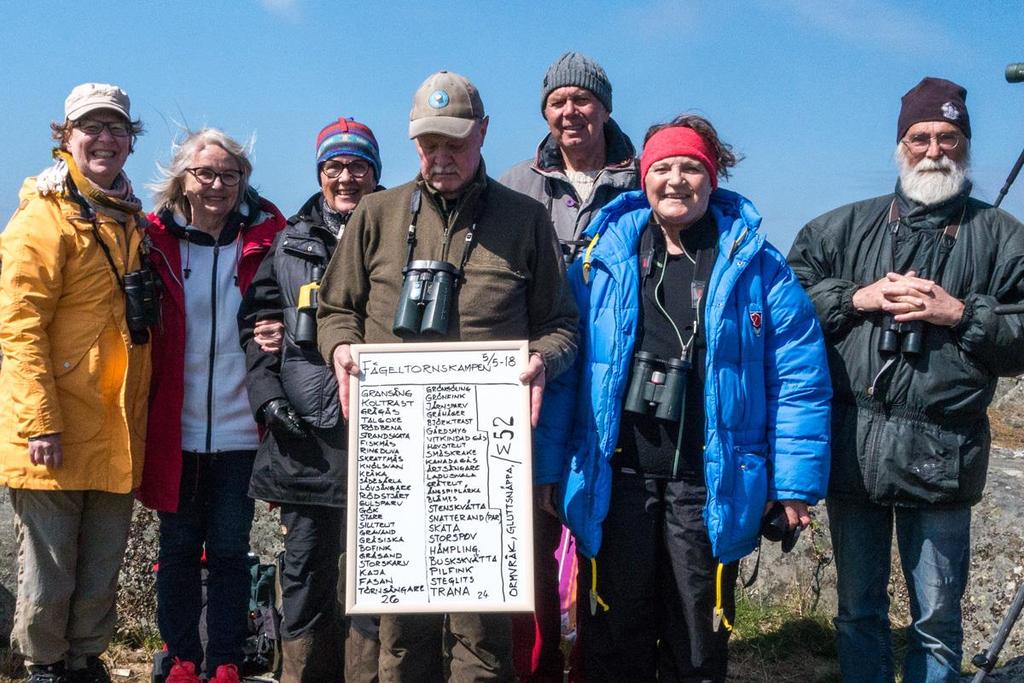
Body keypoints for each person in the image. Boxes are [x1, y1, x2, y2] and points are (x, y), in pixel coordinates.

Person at [536, 115, 832, 683]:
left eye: (691, 167)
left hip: (708, 484)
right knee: (611, 637)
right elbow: (567, 374)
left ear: (712, 178)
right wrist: (550, 466)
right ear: (644, 177)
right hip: (614, 480)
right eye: (663, 167)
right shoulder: (599, 261)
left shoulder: (759, 268)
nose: (676, 180)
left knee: (696, 639)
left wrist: (793, 484)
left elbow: (798, 378)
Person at [316, 70, 578, 682]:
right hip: (393, 444)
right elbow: (335, 310)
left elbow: (562, 324)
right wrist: (342, 352)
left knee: (483, 630)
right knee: (400, 627)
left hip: (486, 453)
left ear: (483, 132)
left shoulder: (525, 219)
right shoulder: (376, 213)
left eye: (456, 142)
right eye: (429, 143)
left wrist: (543, 361)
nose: (442, 156)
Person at [788, 77, 1024, 683]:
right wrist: (856, 297)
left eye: (948, 137)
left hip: (943, 456)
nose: (933, 149)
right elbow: (780, 308)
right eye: (920, 137)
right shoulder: (839, 228)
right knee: (857, 611)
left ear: (965, 144)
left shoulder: (1003, 236)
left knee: (937, 623)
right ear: (901, 145)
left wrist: (961, 313)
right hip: (855, 453)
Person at [0, 82, 152, 683]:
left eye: (116, 127)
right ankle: (43, 667)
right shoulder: (42, 215)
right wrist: (40, 423)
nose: (105, 138)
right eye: (91, 127)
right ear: (66, 137)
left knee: (99, 568)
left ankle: (87, 662)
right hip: (54, 431)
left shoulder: (125, 215)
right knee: (49, 568)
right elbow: (17, 328)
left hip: (112, 426)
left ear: (129, 141)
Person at [499, 53, 637, 682]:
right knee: (524, 544)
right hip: (535, 388)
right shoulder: (513, 187)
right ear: (545, 113)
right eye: (558, 102)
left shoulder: (647, 180)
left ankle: (594, 666)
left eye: (582, 100)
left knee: (605, 540)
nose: (570, 112)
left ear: (605, 107)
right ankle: (536, 669)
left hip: (618, 389)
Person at [137, 128, 286, 683]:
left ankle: (224, 658)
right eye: (205, 174)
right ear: (183, 178)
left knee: (229, 550)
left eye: (230, 174)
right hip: (174, 426)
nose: (217, 184)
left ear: (243, 179)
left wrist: (283, 331)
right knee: (176, 550)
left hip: (240, 429)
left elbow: (299, 305)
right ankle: (179, 656)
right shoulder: (152, 238)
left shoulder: (272, 236)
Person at [238, 116, 383, 683]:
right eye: (334, 167)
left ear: (375, 171)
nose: (345, 177)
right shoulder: (287, 240)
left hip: (379, 433)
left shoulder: (401, 232)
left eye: (357, 166)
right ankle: (301, 675)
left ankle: (367, 676)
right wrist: (269, 401)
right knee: (302, 569)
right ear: (320, 173)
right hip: (304, 439)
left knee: (376, 571)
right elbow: (256, 327)